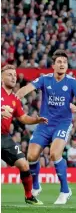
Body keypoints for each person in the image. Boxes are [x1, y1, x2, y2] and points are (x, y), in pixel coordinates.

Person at [16, 50, 76, 205]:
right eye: (59, 62)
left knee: (55, 154)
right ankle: (35, 185)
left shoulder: (72, 82)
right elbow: (26, 89)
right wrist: (14, 97)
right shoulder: (45, 79)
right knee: (31, 156)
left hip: (62, 123)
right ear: (53, 65)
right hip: (44, 123)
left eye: (64, 62)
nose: (62, 64)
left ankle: (65, 190)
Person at [1, 65, 47, 205]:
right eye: (9, 74)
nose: (13, 77)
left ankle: (28, 196)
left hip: (4, 137)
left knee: (24, 165)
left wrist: (36, 120)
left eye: (14, 75)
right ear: (1, 77)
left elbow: (23, 118)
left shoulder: (15, 99)